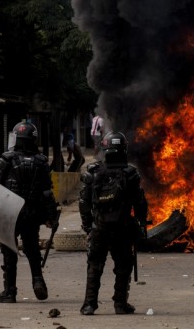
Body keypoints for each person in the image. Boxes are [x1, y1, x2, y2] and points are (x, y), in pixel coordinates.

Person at [79, 132, 148, 315]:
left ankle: (89, 305)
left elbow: (84, 203)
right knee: (123, 266)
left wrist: (87, 226)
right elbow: (139, 202)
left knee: (94, 266)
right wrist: (141, 224)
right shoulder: (130, 173)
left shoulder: (93, 172)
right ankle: (120, 304)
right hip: (122, 228)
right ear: (124, 148)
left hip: (99, 228)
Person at [0, 122, 59, 303]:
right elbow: (47, 192)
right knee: (31, 248)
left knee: (9, 250)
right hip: (31, 213)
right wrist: (51, 216)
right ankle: (38, 281)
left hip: (9, 213)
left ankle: (10, 291)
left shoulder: (6, 159)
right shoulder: (41, 161)